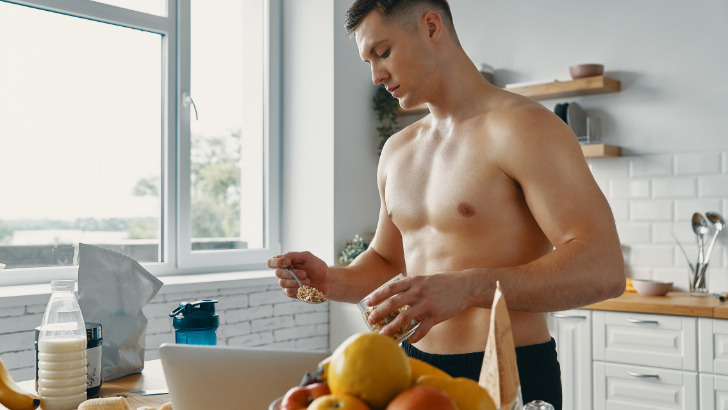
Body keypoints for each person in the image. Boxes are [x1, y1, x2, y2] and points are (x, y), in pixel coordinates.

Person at [268, 0, 625, 407]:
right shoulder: (398, 150)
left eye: (383, 53)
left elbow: (604, 268)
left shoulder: (524, 127)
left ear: (432, 26)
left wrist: (468, 287)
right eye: (369, 60)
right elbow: (387, 261)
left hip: (506, 369)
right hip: (411, 371)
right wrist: (331, 281)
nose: (375, 75)